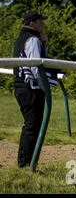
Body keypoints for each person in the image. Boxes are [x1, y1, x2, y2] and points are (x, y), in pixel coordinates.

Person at [13, 10, 56, 168]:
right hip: (30, 89)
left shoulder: (21, 38)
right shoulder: (32, 39)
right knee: (32, 126)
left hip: (20, 86)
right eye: (40, 21)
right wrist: (46, 89)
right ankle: (26, 164)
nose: (43, 24)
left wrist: (45, 44)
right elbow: (37, 68)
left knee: (30, 125)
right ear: (32, 23)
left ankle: (26, 162)